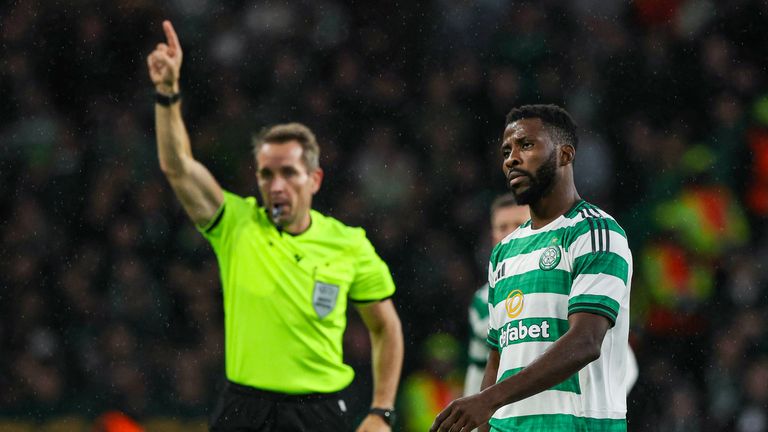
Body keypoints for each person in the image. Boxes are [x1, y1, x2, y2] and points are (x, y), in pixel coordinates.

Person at [146, 21, 404, 432]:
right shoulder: (235, 222)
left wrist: (381, 410)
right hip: (243, 408)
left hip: (317, 413)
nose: (276, 185)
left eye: (288, 173)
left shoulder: (349, 244)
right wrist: (167, 93)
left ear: (314, 180)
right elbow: (177, 166)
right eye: (266, 174)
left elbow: (385, 327)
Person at [431, 104, 633, 432]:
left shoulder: (596, 232)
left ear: (565, 155)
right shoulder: (504, 252)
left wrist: (489, 400)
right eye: (506, 150)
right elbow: (498, 359)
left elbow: (585, 341)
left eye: (526, 145)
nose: (511, 158)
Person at [464, 195, 530, 397]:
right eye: (502, 228)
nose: (510, 235)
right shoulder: (483, 301)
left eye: (519, 224)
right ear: (493, 237)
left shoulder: (564, 283)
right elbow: (479, 369)